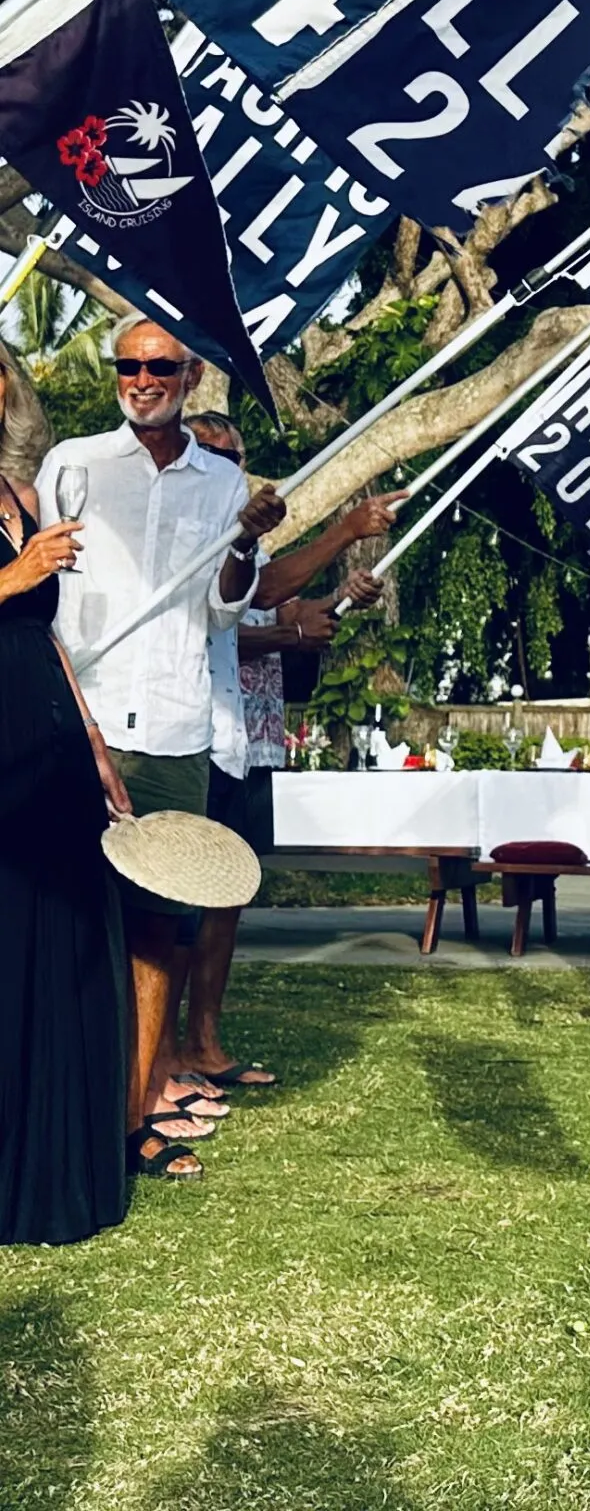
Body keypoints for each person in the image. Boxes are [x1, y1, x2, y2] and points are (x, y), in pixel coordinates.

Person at [37, 316, 283, 1182]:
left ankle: (135, 1119)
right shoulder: (72, 464)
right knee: (64, 927)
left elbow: (223, 608)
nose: (142, 380)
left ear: (190, 378)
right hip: (80, 721)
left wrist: (245, 539)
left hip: (175, 727)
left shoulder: (224, 481)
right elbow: (41, 595)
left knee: (160, 936)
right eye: (128, 366)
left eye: (160, 367)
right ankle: (58, 1118)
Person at [181, 408, 400, 1093]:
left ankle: (204, 1042)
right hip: (191, 736)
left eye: (234, 458)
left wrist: (338, 599)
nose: (224, 468)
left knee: (229, 895)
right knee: (179, 902)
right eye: (208, 453)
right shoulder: (184, 534)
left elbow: (285, 605)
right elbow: (244, 616)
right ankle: (159, 1057)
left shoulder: (248, 543)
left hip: (250, 737)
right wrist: (344, 532)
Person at [0, 339, 139, 1234]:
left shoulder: (22, 494)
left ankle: (59, 1171)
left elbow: (48, 636)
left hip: (48, 732)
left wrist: (93, 741)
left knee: (67, 940)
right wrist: (17, 573)